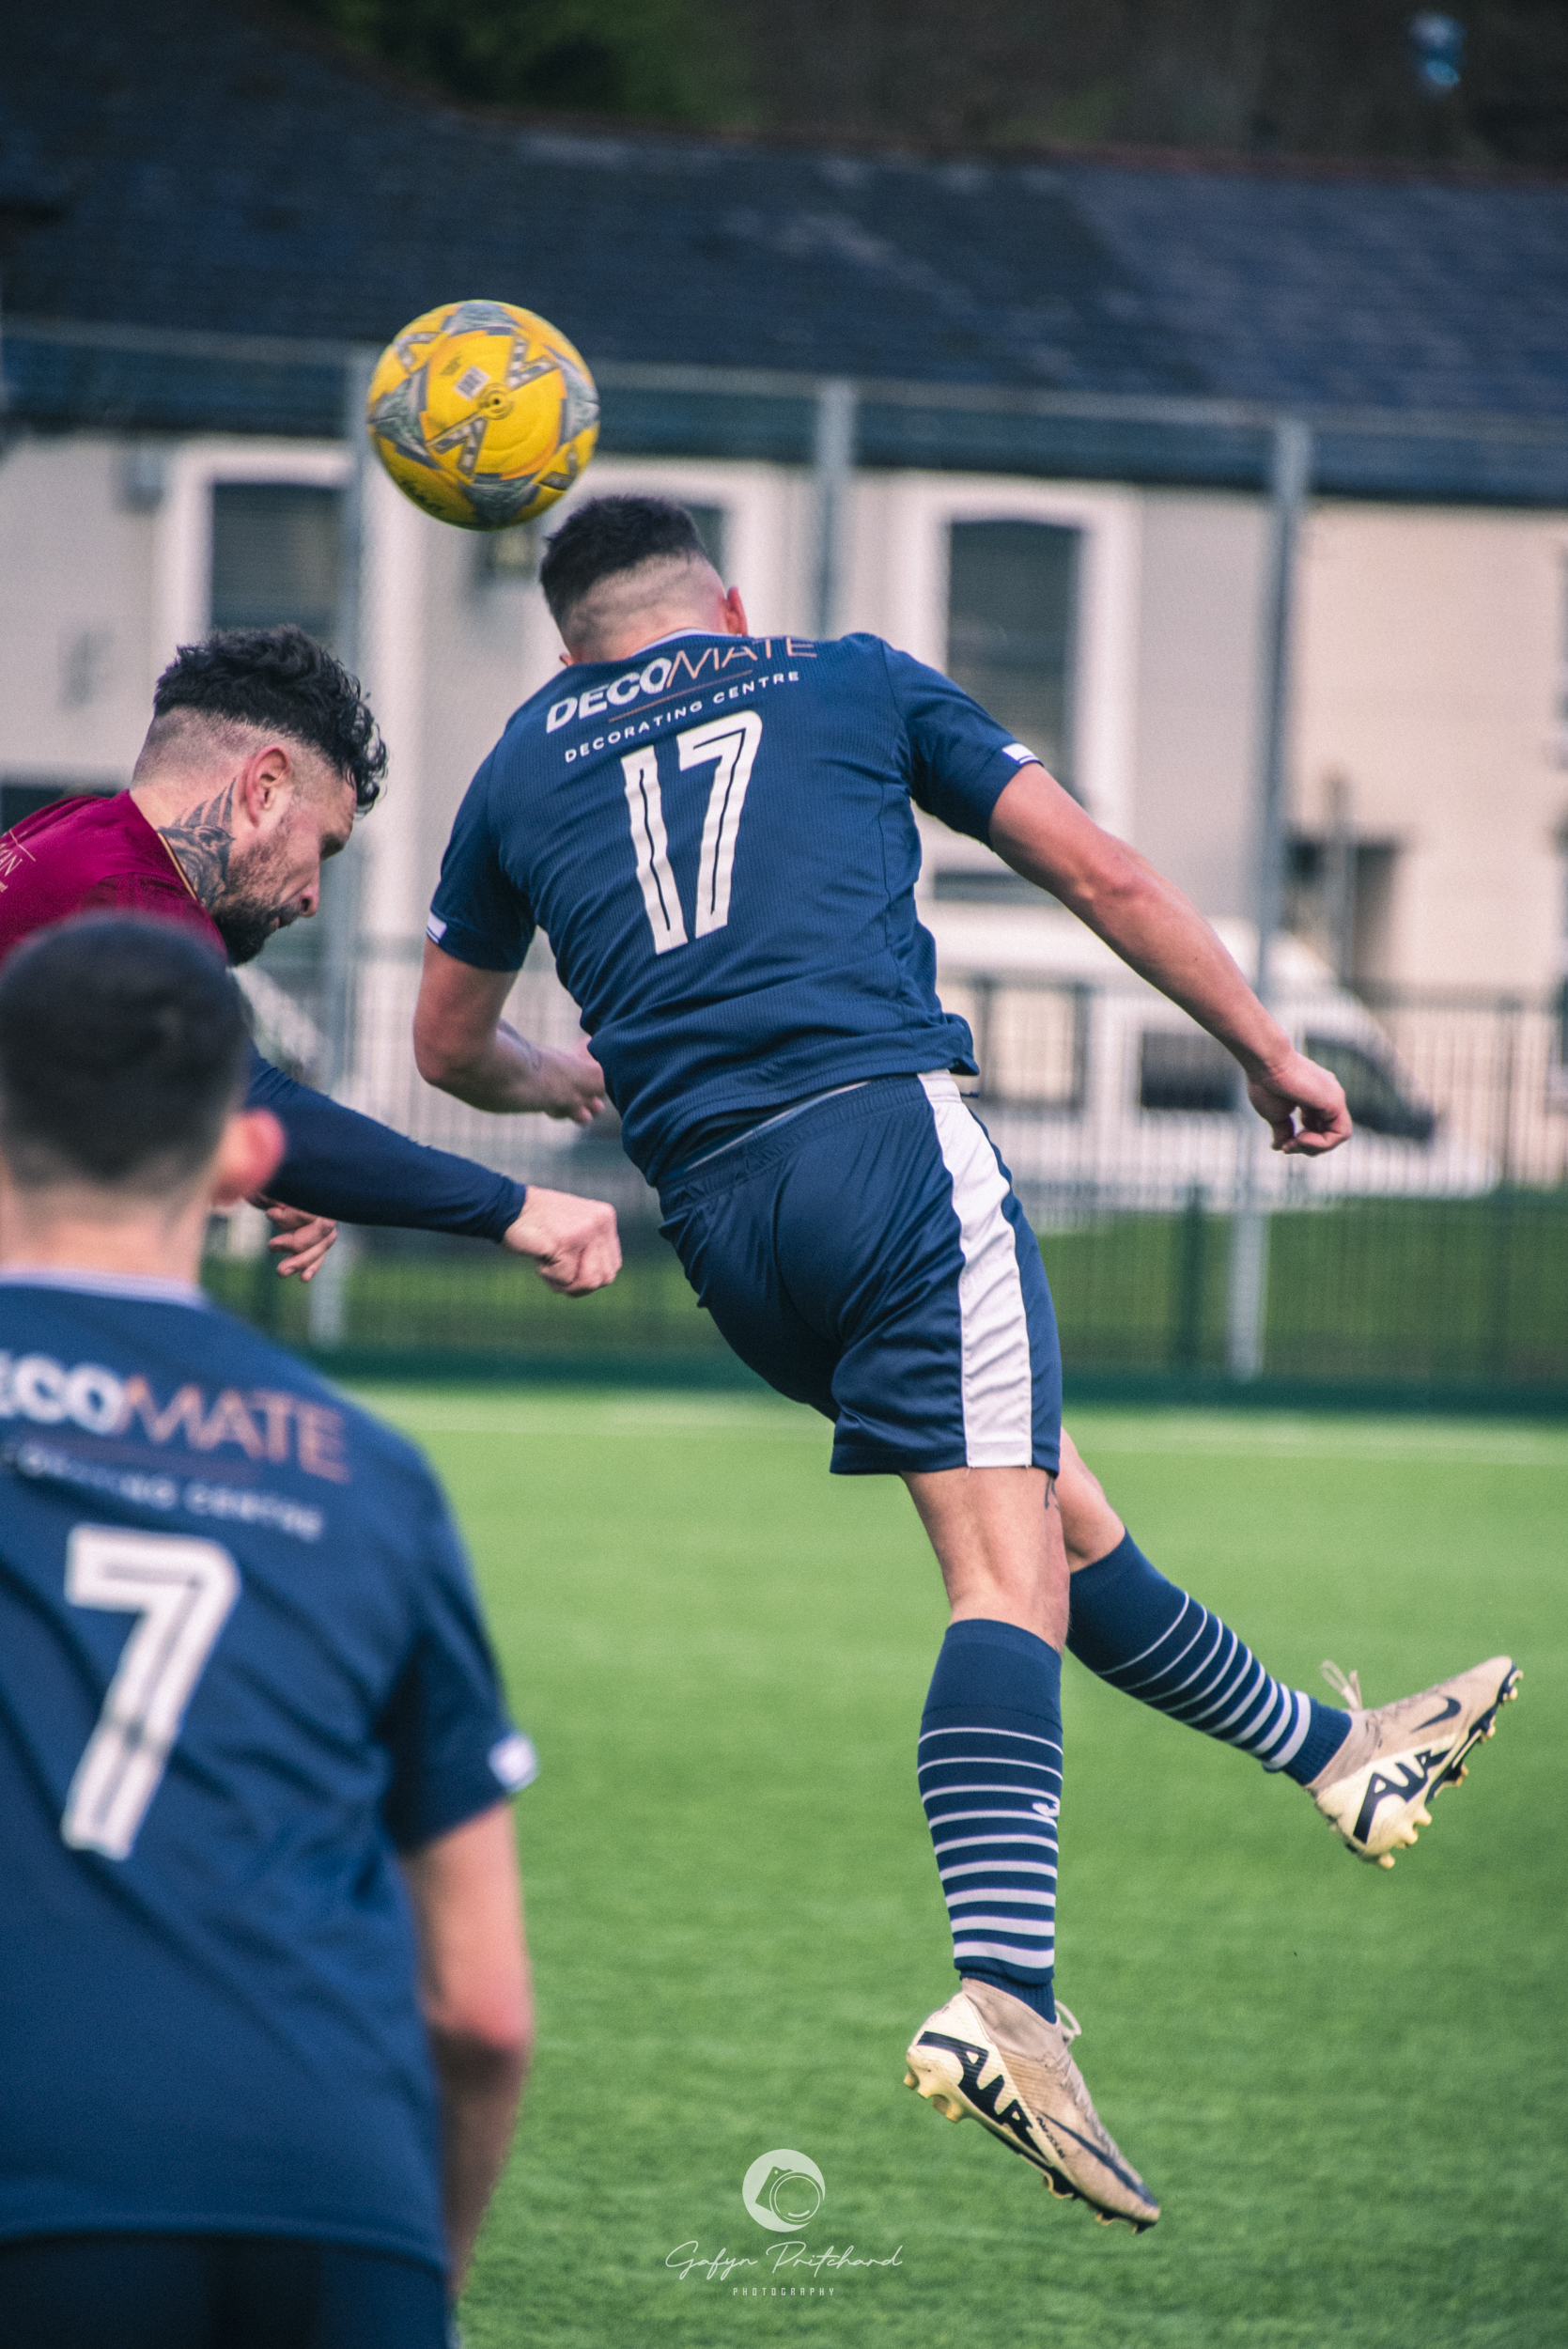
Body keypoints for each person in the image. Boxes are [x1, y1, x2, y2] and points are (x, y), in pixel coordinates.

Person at [411, 494, 1518, 2231]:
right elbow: (1099, 872)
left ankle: (1331, 1755)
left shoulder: (516, 764)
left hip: (726, 1227)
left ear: (570, 640)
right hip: (886, 1150)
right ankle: (1003, 1999)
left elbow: (446, 1043)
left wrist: (571, 1085)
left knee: (1059, 1516)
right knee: (999, 1578)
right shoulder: (843, 676)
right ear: (729, 598)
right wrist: (1267, 1051)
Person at [0, 916, 533, 2347]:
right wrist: (423, 2274)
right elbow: (483, 2012)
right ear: (247, 1161)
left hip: (37, 2189)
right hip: (334, 2207)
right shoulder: (371, 1475)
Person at [0, 624, 618, 1299]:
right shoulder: (130, 902)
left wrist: (252, 1152)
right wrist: (519, 1208)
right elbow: (252, 1100)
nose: (311, 899)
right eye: (322, 847)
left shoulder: (75, 831)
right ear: (265, 784)